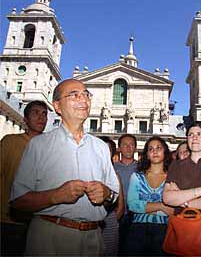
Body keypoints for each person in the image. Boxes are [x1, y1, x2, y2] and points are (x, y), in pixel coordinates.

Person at [10, 79, 119, 256]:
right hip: (50, 236)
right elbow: (18, 200)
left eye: (86, 94)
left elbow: (114, 194)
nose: (83, 99)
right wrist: (55, 196)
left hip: (93, 238)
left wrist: (106, 193)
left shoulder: (101, 147)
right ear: (57, 106)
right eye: (74, 95)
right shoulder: (38, 145)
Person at [163, 121, 201, 255]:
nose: (194, 137)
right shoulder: (176, 165)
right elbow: (167, 198)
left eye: (199, 134)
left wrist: (185, 202)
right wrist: (199, 191)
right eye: (190, 134)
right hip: (181, 230)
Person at [1, 100, 48, 256]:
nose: (41, 117)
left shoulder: (51, 147)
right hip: (9, 220)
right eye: (35, 113)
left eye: (44, 114)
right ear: (25, 119)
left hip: (40, 222)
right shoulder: (9, 142)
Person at [124, 136, 173, 256]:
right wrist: (161, 207)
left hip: (165, 231)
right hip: (138, 231)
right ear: (146, 154)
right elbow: (132, 205)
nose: (155, 151)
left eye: (158, 148)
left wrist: (146, 208)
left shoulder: (173, 177)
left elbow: (173, 209)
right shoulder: (136, 176)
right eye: (150, 149)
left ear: (165, 152)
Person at [99, 136, 124, 256]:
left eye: (107, 150)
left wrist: (113, 220)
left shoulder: (115, 175)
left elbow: (121, 205)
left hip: (109, 221)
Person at [114, 134, 138, 255]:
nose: (128, 148)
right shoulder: (112, 168)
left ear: (135, 148)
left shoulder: (142, 168)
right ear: (119, 148)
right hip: (118, 215)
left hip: (137, 215)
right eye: (125, 145)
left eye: (131, 145)